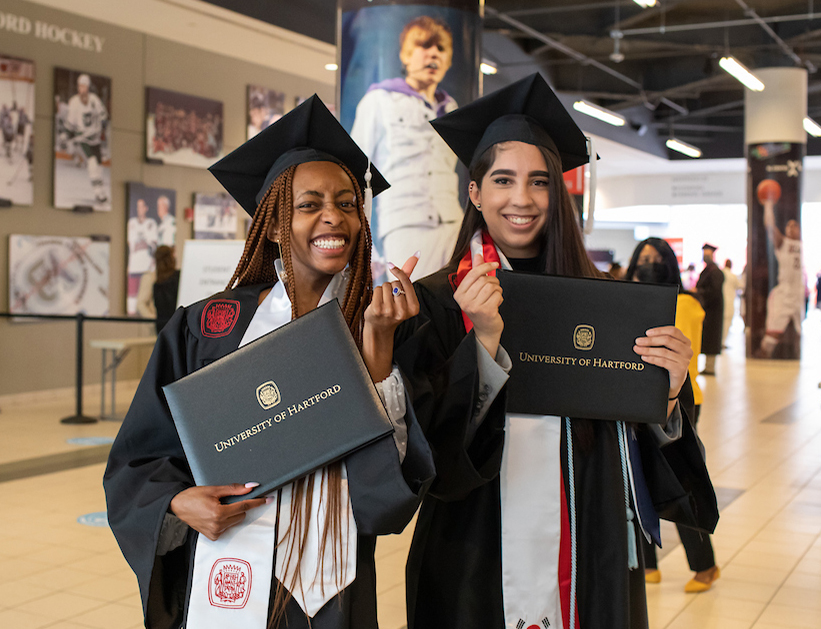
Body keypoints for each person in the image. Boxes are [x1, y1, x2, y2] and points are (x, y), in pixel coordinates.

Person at [394, 73, 717, 629]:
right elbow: (419, 457)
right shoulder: (438, 302)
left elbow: (650, 463)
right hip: (474, 553)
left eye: (540, 182)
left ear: (557, 193)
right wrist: (484, 342)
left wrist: (664, 393)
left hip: (589, 546)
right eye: (503, 180)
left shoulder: (605, 302)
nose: (522, 199)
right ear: (474, 192)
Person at [104, 96, 434, 629]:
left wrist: (377, 355)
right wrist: (176, 503)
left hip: (334, 588)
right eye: (310, 204)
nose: (333, 215)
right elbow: (136, 460)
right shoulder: (209, 327)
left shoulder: (382, 322)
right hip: (223, 568)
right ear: (275, 225)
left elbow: (388, 499)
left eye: (348, 202)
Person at [624, 238, 721, 593]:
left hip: (677, 396)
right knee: (638, 475)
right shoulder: (625, 300)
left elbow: (682, 343)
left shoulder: (688, 304)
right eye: (643, 259)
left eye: (656, 259)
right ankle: (648, 564)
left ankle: (705, 565)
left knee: (675, 476)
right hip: (632, 393)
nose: (648, 264)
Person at [350, 15, 462, 279]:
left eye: (441, 48)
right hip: (406, 225)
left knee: (456, 312)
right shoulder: (378, 100)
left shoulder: (451, 109)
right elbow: (354, 174)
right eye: (424, 45)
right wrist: (367, 249)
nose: (433, 54)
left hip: (453, 224)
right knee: (413, 311)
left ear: (448, 60)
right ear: (405, 55)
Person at [756, 214, 803, 358]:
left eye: (794, 225)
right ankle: (764, 354)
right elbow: (770, 226)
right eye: (788, 225)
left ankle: (796, 357)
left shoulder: (804, 245)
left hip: (798, 293)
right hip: (784, 291)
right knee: (773, 331)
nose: (791, 228)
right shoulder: (783, 243)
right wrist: (768, 205)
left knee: (799, 331)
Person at [65, 73, 109, 204]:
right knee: (92, 164)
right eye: (80, 86)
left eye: (84, 86)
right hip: (83, 138)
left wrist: (102, 127)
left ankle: (100, 190)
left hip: (95, 138)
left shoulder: (94, 99)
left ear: (88, 87)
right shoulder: (74, 102)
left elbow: (103, 115)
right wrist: (67, 134)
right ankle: (98, 192)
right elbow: (70, 123)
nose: (81, 89)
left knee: (99, 167)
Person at [126, 197, 158, 314]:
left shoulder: (151, 223)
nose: (139, 209)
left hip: (146, 268)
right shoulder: (131, 223)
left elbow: (152, 245)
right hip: (134, 267)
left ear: (146, 208)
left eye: (142, 206)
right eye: (138, 206)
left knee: (146, 302)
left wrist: (145, 245)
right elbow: (131, 245)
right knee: (134, 303)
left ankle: (157, 327)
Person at [696, 244, 723, 374]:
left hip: (713, 310)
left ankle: (710, 367)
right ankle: (708, 366)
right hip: (707, 310)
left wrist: (700, 293)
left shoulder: (715, 272)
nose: (705, 257)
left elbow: (714, 291)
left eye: (707, 254)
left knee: (712, 338)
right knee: (708, 338)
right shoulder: (707, 270)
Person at [721, 259, 741, 348]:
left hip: (722, 302)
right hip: (729, 302)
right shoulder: (733, 276)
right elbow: (739, 286)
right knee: (727, 322)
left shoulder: (721, 273)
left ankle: (720, 342)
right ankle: (722, 342)